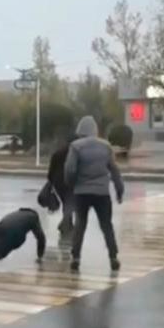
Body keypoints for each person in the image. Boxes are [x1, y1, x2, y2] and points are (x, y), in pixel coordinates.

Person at [64, 115, 124, 271]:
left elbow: (70, 169)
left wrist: (71, 185)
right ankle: (113, 257)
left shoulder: (76, 146)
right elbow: (114, 169)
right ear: (95, 130)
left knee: (80, 225)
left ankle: (76, 257)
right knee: (106, 225)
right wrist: (119, 189)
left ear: (80, 130)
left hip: (81, 193)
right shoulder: (106, 146)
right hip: (102, 193)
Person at [47, 133, 75, 237]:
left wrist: (51, 182)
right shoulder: (76, 154)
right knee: (69, 203)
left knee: (67, 203)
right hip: (71, 181)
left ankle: (68, 223)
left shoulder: (57, 153)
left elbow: (51, 170)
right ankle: (65, 224)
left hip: (58, 183)